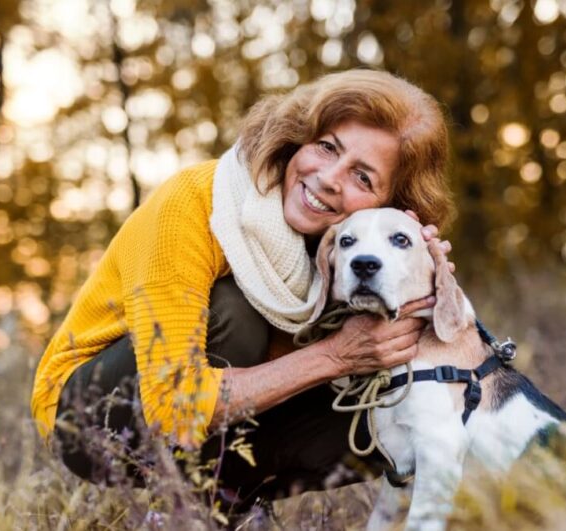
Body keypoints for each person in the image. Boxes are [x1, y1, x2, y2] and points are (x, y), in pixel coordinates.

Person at [30, 69, 456, 511]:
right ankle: (192, 507)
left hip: (228, 410)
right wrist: (335, 356)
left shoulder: (345, 248)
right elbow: (172, 403)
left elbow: (415, 348)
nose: (329, 178)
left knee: (385, 404)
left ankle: (221, 505)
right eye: (326, 147)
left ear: (391, 205)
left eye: (363, 178)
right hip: (88, 414)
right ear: (298, 138)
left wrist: (415, 268)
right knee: (237, 312)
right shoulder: (192, 205)